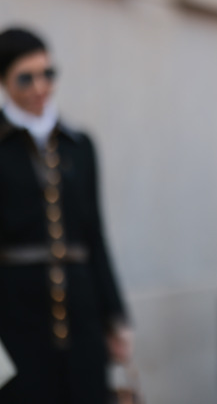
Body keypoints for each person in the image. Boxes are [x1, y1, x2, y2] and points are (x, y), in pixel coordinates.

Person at [0, 27, 130, 403]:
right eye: (26, 77)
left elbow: (95, 235)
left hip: (82, 316)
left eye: (48, 74)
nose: (40, 86)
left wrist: (116, 317)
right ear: (6, 82)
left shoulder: (80, 145)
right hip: (16, 318)